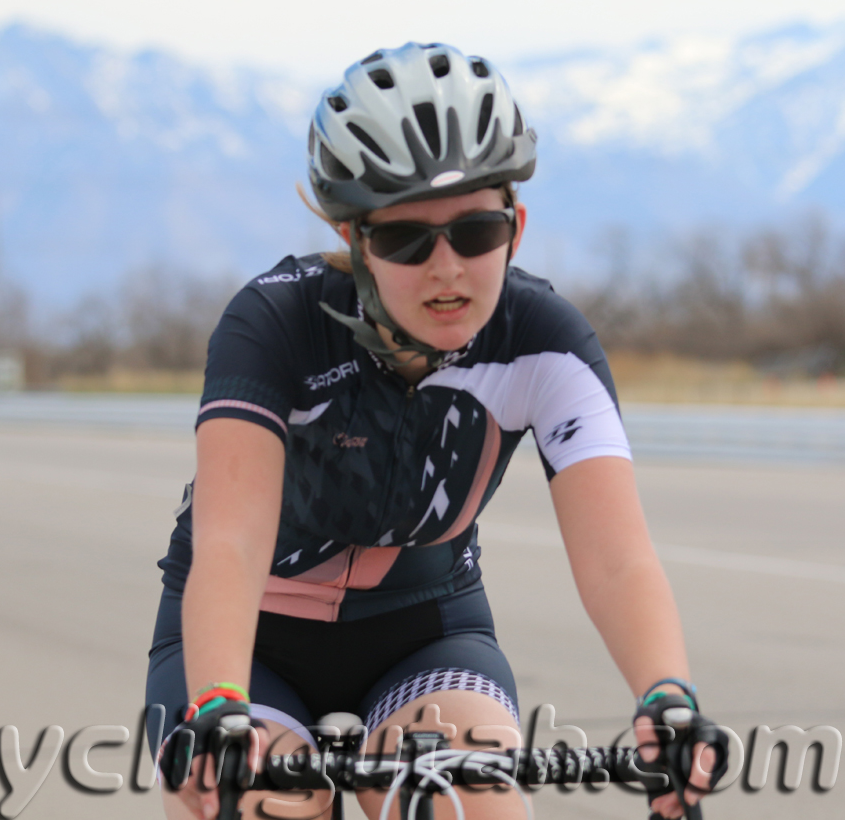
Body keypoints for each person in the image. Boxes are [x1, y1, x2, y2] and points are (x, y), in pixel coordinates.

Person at [146, 41, 727, 820]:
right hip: (249, 635)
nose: (446, 267)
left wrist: (667, 695)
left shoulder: (546, 341)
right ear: (357, 243)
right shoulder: (274, 323)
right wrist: (217, 702)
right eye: (405, 240)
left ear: (516, 227)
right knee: (266, 801)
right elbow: (230, 544)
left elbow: (617, 558)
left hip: (420, 629)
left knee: (473, 799)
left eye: (476, 232)